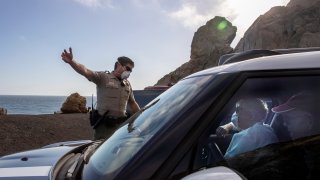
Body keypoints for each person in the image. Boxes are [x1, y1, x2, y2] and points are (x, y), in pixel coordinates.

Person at [61, 47, 140, 140]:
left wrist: (143, 117)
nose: (129, 72)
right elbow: (85, 71)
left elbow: (133, 103)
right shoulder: (103, 77)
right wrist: (72, 62)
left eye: (130, 71)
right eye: (128, 69)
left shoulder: (127, 84)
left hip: (121, 127)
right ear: (118, 65)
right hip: (104, 128)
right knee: (100, 151)